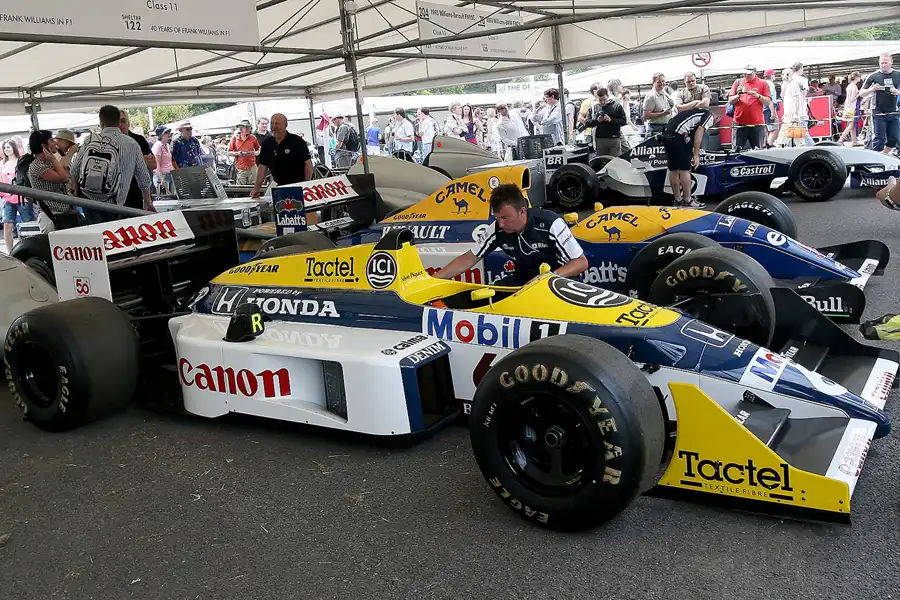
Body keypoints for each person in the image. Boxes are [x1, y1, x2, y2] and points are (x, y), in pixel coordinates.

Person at [435, 183, 588, 286]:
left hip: (560, 280)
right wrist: (434, 280)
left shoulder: (550, 222)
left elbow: (581, 262)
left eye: (505, 218)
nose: (500, 224)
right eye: (497, 218)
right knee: (492, 294)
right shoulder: (496, 228)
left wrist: (549, 277)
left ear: (522, 211)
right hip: (525, 281)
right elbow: (468, 258)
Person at [70, 105, 153, 223]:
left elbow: (74, 169)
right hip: (116, 203)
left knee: (96, 238)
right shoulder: (131, 144)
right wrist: (148, 202)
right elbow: (144, 179)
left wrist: (77, 196)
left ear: (101, 122)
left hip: (89, 201)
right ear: (118, 121)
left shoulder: (90, 139)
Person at [26, 130, 81, 232]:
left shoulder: (46, 163)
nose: (55, 143)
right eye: (51, 140)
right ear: (43, 145)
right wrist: (53, 159)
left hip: (62, 214)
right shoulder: (37, 166)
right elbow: (63, 178)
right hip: (52, 216)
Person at [662, 107, 714, 209]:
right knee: (685, 169)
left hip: (667, 134)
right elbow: (700, 132)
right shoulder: (709, 115)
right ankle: (688, 200)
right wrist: (696, 154)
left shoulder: (693, 112)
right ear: (717, 117)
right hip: (679, 136)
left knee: (673, 169)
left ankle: (677, 199)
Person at [251, 113, 312, 198]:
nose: (274, 126)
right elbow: (262, 168)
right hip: (279, 187)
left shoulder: (297, 141)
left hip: (298, 186)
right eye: (272, 123)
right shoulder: (267, 144)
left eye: (277, 123)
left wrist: (306, 185)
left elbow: (308, 165)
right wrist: (256, 188)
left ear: (285, 125)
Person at [860, 54, 900, 154]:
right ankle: (877, 161)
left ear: (891, 62)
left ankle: (884, 155)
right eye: (881, 63)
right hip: (878, 112)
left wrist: (898, 92)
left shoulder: (897, 75)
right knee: (879, 139)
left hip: (893, 112)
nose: (883, 65)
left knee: (894, 137)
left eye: (886, 63)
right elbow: (861, 93)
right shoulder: (874, 76)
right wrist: (872, 89)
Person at [119, 110, 156, 210]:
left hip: (139, 192)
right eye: (117, 122)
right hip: (117, 194)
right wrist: (139, 161)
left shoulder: (139, 140)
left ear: (128, 123)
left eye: (123, 120)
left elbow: (154, 164)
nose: (120, 124)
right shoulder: (110, 143)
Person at [727, 65, 771, 150]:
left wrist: (758, 96)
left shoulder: (762, 83)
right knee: (737, 150)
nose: (746, 76)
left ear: (755, 72)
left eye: (749, 74)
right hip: (739, 122)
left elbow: (768, 101)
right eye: (744, 74)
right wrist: (738, 96)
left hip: (757, 123)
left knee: (758, 150)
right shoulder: (738, 82)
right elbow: (730, 100)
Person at [0, 139, 32, 254]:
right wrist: (3, 195)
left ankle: (29, 248)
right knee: (7, 223)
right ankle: (10, 252)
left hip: (22, 198)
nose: (6, 150)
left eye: (8, 147)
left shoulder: (21, 161)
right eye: (4, 148)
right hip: (7, 198)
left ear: (14, 148)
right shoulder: (2, 164)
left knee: (27, 223)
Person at [776, 62, 815, 147]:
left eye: (784, 74)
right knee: (796, 135)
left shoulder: (795, 83)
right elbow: (783, 97)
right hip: (792, 113)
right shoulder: (788, 84)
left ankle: (813, 148)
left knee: (800, 135)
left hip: (795, 114)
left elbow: (797, 99)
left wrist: (796, 114)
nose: (782, 76)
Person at [584, 87, 627, 157]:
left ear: (608, 96)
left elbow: (624, 121)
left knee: (614, 162)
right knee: (601, 162)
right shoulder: (594, 108)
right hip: (600, 140)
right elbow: (586, 123)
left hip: (614, 139)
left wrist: (611, 120)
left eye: (604, 99)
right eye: (600, 100)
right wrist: (597, 120)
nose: (603, 102)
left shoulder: (616, 106)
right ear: (597, 98)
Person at [227, 120, 262, 185]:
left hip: (252, 166)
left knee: (254, 186)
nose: (247, 129)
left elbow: (258, 149)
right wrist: (237, 153)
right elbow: (229, 152)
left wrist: (256, 153)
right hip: (240, 167)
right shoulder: (234, 138)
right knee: (240, 188)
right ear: (240, 128)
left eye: (248, 127)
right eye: (245, 127)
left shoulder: (253, 138)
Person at [838, 72, 863, 146]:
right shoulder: (854, 87)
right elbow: (852, 99)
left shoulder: (849, 86)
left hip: (848, 107)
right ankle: (840, 140)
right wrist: (858, 94)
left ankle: (854, 141)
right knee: (851, 125)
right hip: (852, 108)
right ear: (856, 77)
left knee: (852, 125)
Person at [152, 126, 175, 195]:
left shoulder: (167, 145)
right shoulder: (157, 145)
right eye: (166, 132)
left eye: (169, 132)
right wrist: (162, 178)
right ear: (161, 135)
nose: (169, 134)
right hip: (161, 176)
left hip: (169, 175)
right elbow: (157, 164)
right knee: (164, 200)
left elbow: (169, 161)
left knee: (171, 198)